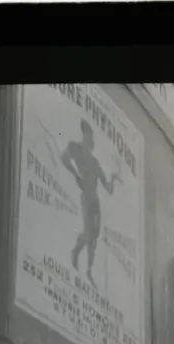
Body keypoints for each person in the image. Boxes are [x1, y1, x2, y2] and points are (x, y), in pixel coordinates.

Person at [62, 119, 122, 289]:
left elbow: (108, 188)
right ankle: (75, 252)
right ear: (85, 136)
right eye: (89, 136)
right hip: (86, 198)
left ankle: (88, 270)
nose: (91, 140)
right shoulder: (76, 149)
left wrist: (114, 178)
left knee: (93, 237)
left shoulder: (95, 163)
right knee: (89, 234)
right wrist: (76, 174)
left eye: (92, 137)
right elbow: (64, 158)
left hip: (95, 201)